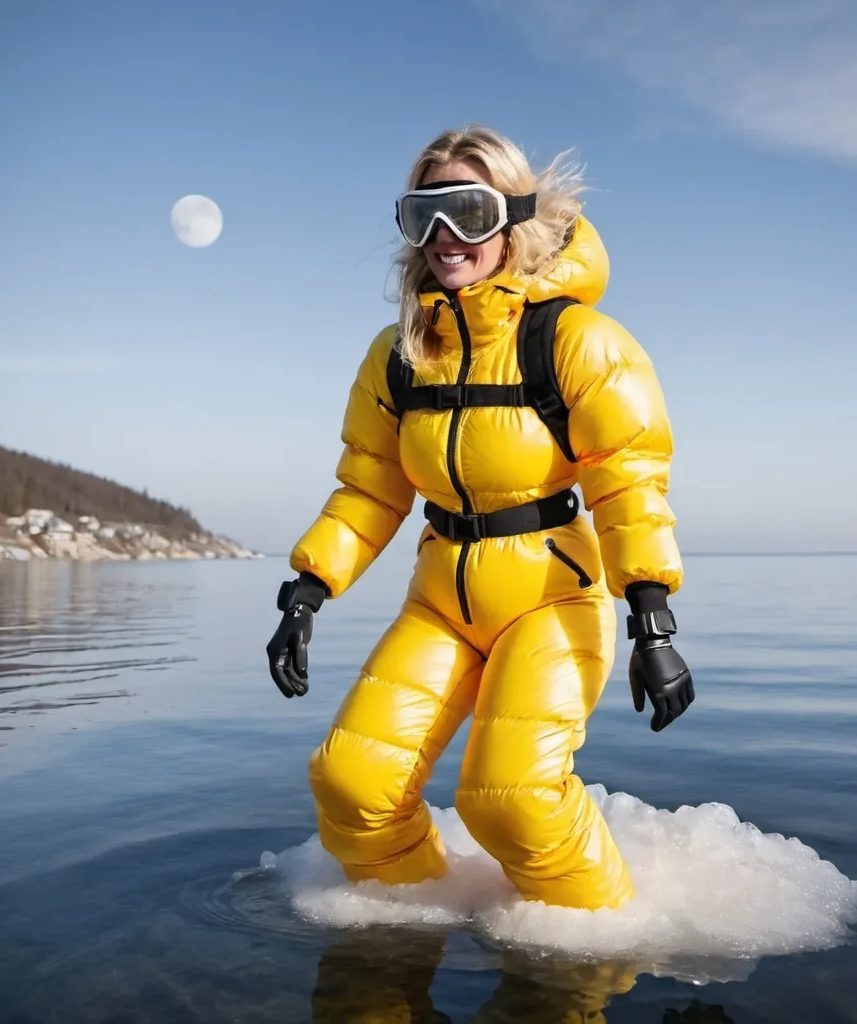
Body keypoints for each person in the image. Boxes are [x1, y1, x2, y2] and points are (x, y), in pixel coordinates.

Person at [266, 124, 694, 912]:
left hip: (551, 598)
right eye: (423, 213)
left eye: (467, 209)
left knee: (510, 797)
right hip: (441, 599)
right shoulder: (398, 355)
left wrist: (653, 621)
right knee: (350, 784)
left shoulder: (573, 340)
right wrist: (306, 591)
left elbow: (629, 479)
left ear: (513, 217)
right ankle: (413, 932)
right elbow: (368, 487)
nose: (444, 236)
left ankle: (590, 954)